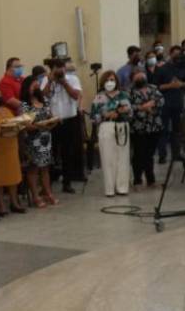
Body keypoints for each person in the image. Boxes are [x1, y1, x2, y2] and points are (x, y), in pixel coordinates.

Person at [90, 70, 133, 197]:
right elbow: (93, 117)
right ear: (103, 82)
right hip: (106, 127)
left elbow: (130, 112)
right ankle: (109, 189)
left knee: (123, 158)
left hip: (122, 126)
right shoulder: (99, 97)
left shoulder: (123, 95)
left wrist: (121, 111)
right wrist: (106, 114)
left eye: (113, 80)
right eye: (108, 80)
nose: (110, 82)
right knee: (108, 158)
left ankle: (122, 188)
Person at [17, 76, 59, 207]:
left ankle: (48, 193)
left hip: (46, 138)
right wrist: (39, 126)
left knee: (45, 167)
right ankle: (35, 196)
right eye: (33, 86)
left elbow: (50, 116)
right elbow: (24, 124)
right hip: (32, 139)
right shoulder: (23, 104)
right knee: (33, 168)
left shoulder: (44, 100)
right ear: (27, 87)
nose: (36, 88)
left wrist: (52, 122)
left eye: (37, 86)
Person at [47, 59, 85, 192]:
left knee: (67, 152)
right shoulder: (47, 80)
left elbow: (76, 95)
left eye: (61, 67)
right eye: (56, 68)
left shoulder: (72, 79)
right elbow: (42, 96)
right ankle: (49, 183)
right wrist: (50, 81)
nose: (60, 70)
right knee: (51, 152)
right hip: (52, 122)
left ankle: (67, 182)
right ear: (51, 69)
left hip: (69, 120)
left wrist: (64, 83)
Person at [0, 93, 24, 214]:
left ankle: (14, 202)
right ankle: (1, 205)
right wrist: (1, 130)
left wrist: (19, 125)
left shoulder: (6, 109)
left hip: (11, 146)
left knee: (13, 175)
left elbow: (15, 122)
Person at [128, 69, 163, 189]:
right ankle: (137, 180)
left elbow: (161, 100)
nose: (140, 76)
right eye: (136, 75)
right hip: (138, 128)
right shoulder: (129, 92)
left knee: (150, 154)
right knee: (138, 154)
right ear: (132, 79)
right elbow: (128, 107)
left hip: (154, 126)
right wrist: (143, 107)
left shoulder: (153, 88)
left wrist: (152, 105)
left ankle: (151, 179)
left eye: (141, 75)